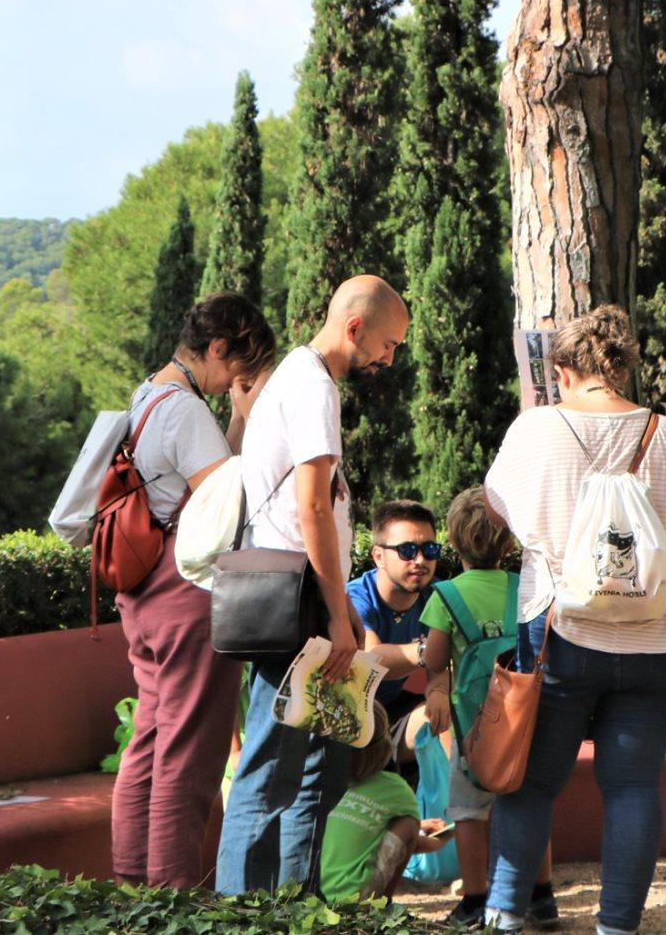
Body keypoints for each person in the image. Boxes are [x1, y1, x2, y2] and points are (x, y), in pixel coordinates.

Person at [482, 305, 666, 935]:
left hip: (561, 631)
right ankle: (617, 926)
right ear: (624, 369)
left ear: (563, 370)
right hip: (663, 636)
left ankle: (505, 913)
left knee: (530, 783)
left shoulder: (535, 431)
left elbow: (497, 508)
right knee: (634, 785)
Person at [215, 275, 409, 897]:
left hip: (302, 598)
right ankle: (239, 913)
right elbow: (313, 511)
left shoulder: (298, 379)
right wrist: (338, 615)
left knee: (316, 773)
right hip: (297, 603)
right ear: (354, 328)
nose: (389, 358)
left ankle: (298, 906)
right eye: (388, 343)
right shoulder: (312, 387)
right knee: (271, 770)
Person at [111, 292, 276, 889]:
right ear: (216, 348)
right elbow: (225, 501)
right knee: (191, 752)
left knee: (150, 740)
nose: (239, 380)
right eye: (239, 368)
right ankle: (173, 895)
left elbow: (205, 475)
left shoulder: (147, 396)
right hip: (185, 595)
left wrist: (235, 417)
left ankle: (134, 885)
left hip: (143, 590)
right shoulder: (184, 410)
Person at [418, 486, 555, 928]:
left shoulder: (447, 596)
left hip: (474, 730)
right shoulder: (525, 587)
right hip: (527, 724)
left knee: (469, 813)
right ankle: (542, 894)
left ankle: (475, 900)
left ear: (454, 543)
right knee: (532, 804)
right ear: (510, 543)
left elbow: (436, 660)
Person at [319, 725, 452, 904]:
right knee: (408, 824)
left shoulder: (323, 779)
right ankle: (384, 902)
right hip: (356, 897)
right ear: (385, 748)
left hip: (315, 893)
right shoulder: (395, 787)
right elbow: (411, 843)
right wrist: (446, 835)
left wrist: (422, 826)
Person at [348, 499, 440, 721]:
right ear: (378, 556)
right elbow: (370, 658)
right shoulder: (356, 597)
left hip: (393, 708)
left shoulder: (438, 597)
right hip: (348, 710)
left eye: (429, 549)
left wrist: (439, 692)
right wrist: (430, 650)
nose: (419, 560)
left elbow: (444, 669)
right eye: (407, 550)